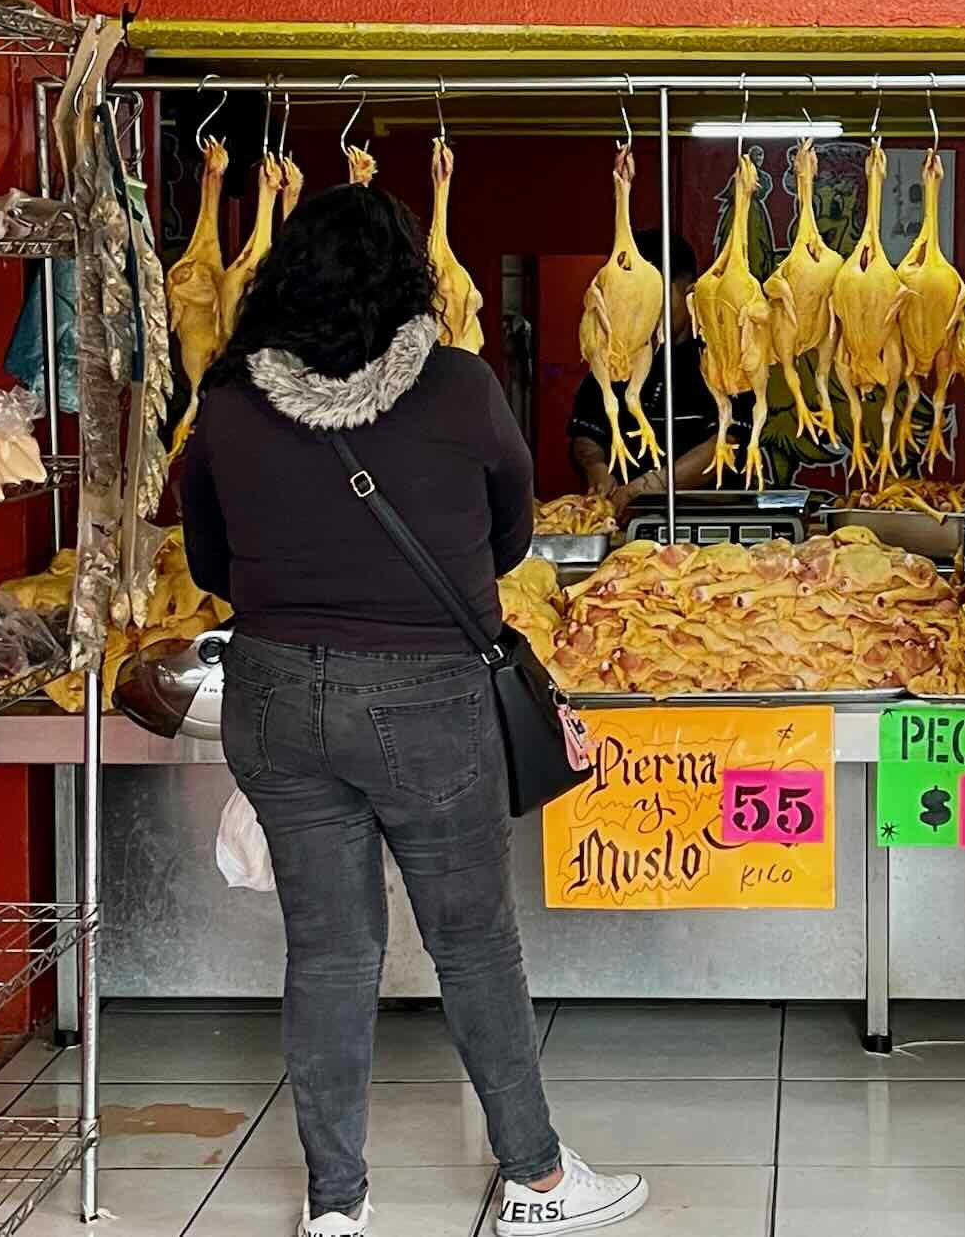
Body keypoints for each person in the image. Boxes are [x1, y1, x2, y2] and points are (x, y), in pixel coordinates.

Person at [181, 184, 648, 1237]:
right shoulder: (458, 386)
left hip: (273, 699)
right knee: (472, 942)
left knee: (330, 951)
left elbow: (211, 562)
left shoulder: (227, 402)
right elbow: (510, 537)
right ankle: (534, 1179)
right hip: (425, 702)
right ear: (409, 283)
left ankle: (336, 1206)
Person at [568, 229, 755, 504]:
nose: (645, 309)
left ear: (689, 292)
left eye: (657, 296)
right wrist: (596, 468)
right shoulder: (616, 358)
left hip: (711, 524)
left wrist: (650, 485)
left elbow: (728, 444)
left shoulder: (724, 359)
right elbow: (586, 433)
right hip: (629, 527)